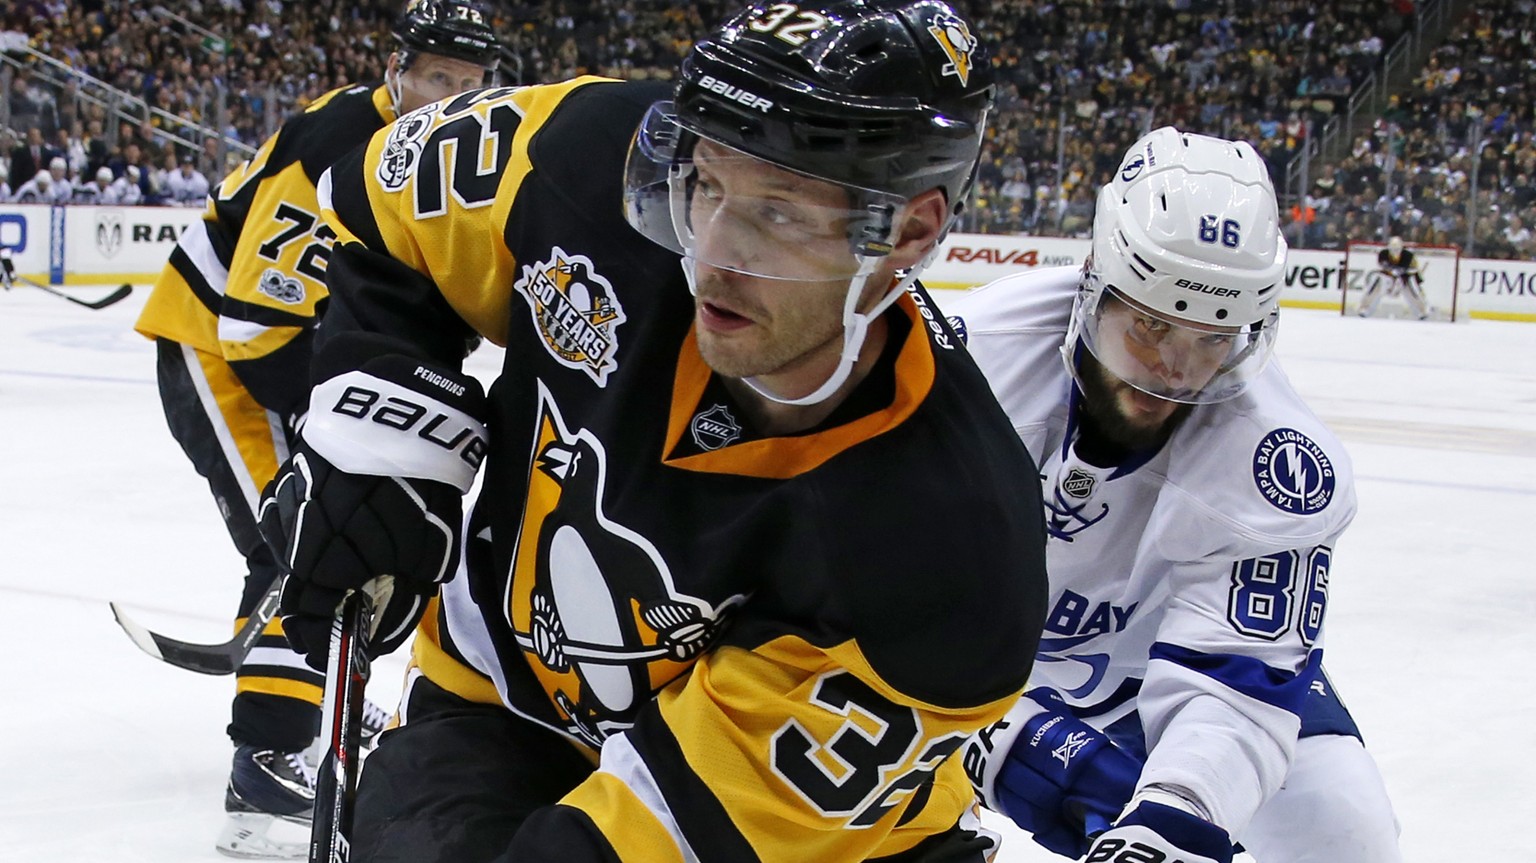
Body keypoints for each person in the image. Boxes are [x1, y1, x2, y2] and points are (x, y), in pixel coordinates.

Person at [257, 2, 1049, 860]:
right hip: (507, 708)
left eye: (778, 211)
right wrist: (384, 422)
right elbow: (380, 195)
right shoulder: (583, 154)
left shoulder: (956, 551)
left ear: (909, 230)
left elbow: (655, 834)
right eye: (707, 184)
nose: (710, 252)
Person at [950, 128, 1402, 863]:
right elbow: (859, 582)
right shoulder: (975, 360)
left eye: (1212, 340)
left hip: (1169, 654)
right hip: (972, 660)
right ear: (1096, 280)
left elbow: (1233, 682)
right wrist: (991, 730)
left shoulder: (1281, 463)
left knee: (1346, 835)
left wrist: (1175, 820)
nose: (1175, 370)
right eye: (1152, 326)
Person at [131, 1, 501, 857]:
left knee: (331, 521)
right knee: (305, 534)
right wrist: (342, 416)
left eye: (470, 83)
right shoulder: (338, 138)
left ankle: (317, 687)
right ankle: (263, 760)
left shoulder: (437, 151)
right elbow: (254, 325)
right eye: (437, 78)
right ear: (396, 69)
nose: (451, 96)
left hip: (286, 349)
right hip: (217, 351)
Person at [1360, 235, 1429, 319]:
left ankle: (1422, 310)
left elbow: (1414, 270)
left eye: (1397, 248)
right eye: (1393, 248)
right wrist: (1392, 271)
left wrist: (1402, 272)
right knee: (1376, 281)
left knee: (1413, 286)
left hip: (1404, 279)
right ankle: (1364, 307)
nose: (1395, 251)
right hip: (1388, 279)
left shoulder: (1408, 256)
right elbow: (1382, 266)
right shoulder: (1383, 254)